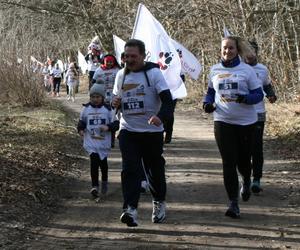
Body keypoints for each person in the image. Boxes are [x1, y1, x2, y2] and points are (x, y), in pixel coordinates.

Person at [112, 39, 174, 227]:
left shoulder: (154, 73)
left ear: (143, 56)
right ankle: (130, 209)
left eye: (133, 56)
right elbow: (116, 102)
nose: (129, 60)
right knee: (130, 169)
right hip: (128, 130)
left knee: (153, 169)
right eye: (126, 56)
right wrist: (115, 104)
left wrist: (160, 117)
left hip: (151, 131)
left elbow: (168, 101)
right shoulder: (121, 75)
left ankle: (159, 202)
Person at [203, 36, 264, 218]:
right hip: (222, 121)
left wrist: (246, 99)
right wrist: (207, 104)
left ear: (237, 50)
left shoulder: (246, 70)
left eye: (230, 48)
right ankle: (233, 203)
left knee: (243, 160)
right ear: (220, 50)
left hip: (246, 122)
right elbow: (210, 93)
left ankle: (246, 178)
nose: (227, 51)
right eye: (224, 48)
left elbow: (258, 94)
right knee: (228, 162)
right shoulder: (214, 70)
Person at [245, 41, 277, 194]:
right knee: (243, 148)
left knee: (256, 147)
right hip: (241, 115)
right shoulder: (239, 69)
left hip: (258, 113)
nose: (249, 55)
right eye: (246, 51)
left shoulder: (262, 69)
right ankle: (245, 178)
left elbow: (266, 85)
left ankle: (256, 179)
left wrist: (271, 94)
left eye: (252, 51)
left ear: (256, 52)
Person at [77, 84, 119, 197]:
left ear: (103, 97)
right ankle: (94, 186)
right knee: (94, 163)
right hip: (91, 141)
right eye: (93, 97)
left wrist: (108, 127)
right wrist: (80, 129)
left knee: (103, 164)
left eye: (98, 97)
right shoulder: (86, 109)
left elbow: (116, 124)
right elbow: (81, 121)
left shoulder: (108, 109)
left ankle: (104, 181)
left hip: (103, 142)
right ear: (90, 97)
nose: (95, 99)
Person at [93, 54, 121, 147]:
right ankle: (103, 138)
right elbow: (93, 83)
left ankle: (112, 140)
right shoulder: (99, 70)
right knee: (103, 118)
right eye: (107, 62)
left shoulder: (117, 70)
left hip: (114, 97)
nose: (109, 63)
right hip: (102, 98)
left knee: (112, 118)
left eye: (111, 62)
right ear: (104, 62)